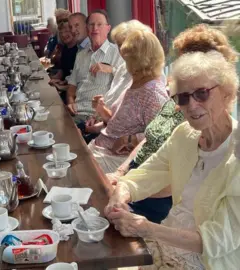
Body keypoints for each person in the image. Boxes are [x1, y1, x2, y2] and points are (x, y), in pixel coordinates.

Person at [105, 51, 239, 269]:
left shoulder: (237, 152)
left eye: (202, 93)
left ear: (227, 92)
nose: (192, 105)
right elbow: (143, 175)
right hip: (162, 245)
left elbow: (216, 240)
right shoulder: (184, 135)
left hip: (206, 262)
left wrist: (145, 228)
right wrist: (120, 195)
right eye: (183, 98)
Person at [106, 23, 238, 224]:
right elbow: (153, 143)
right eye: (182, 60)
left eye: (201, 92)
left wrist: (138, 213)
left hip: (155, 201)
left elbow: (176, 183)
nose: (191, 103)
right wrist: (122, 176)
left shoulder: (210, 129)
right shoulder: (180, 108)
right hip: (142, 183)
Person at [87, 30, 168, 174]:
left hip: (115, 162)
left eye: (128, 59)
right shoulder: (136, 82)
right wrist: (101, 110)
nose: (125, 63)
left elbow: (163, 135)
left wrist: (129, 140)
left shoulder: (153, 92)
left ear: (140, 61)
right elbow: (119, 122)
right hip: (100, 150)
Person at [81, 20, 153, 143]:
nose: (122, 51)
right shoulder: (123, 68)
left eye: (125, 45)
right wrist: (96, 115)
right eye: (119, 45)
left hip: (118, 139)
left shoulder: (148, 78)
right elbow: (110, 100)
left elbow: (133, 126)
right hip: (103, 125)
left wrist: (100, 120)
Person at [66, 9, 124, 124]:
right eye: (91, 25)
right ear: (87, 29)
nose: (95, 28)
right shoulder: (81, 55)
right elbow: (71, 88)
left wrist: (111, 69)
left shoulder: (118, 53)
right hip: (75, 113)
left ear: (108, 28)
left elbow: (126, 85)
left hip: (96, 116)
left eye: (99, 24)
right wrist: (70, 102)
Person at [48, 21, 78, 103]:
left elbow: (77, 79)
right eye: (61, 33)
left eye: (67, 31)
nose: (63, 35)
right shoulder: (65, 48)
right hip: (65, 87)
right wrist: (53, 78)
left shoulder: (79, 50)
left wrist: (61, 85)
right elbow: (63, 70)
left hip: (73, 94)